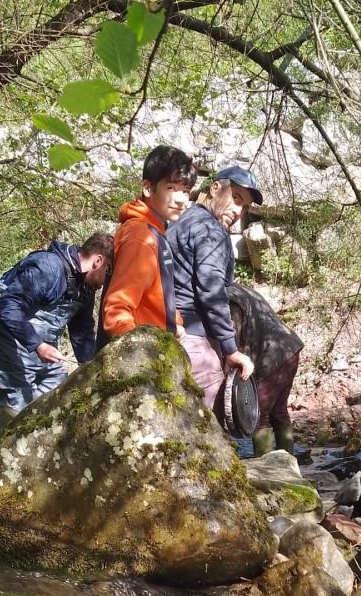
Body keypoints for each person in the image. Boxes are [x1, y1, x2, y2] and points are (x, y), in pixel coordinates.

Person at [0, 233, 113, 411]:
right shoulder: (48, 267)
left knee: (59, 397)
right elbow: (7, 306)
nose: (106, 281)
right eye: (108, 271)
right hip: (6, 336)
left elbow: (82, 332)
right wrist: (38, 345)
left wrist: (92, 368)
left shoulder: (86, 287)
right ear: (98, 261)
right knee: (18, 407)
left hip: (40, 347)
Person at [165, 165, 259, 412]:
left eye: (244, 207)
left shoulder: (181, 221)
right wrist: (231, 349)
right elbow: (212, 291)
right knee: (209, 422)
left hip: (172, 335)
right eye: (236, 198)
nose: (238, 211)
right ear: (215, 188)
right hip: (196, 342)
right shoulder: (211, 230)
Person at [101, 145, 196, 341]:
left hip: (157, 343)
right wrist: (138, 351)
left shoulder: (155, 231)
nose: (181, 200)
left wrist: (174, 323)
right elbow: (117, 309)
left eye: (185, 191)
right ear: (147, 188)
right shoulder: (141, 236)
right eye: (171, 188)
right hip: (143, 351)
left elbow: (156, 293)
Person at [227, 282, 303, 456]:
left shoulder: (230, 298)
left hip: (272, 355)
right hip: (290, 348)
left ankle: (266, 466)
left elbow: (233, 341)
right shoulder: (241, 289)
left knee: (259, 414)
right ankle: (288, 463)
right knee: (278, 411)